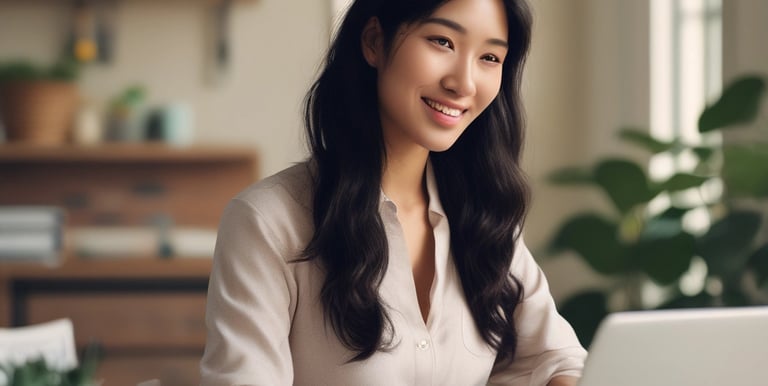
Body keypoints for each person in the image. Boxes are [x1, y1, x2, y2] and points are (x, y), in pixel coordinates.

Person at [200, 0, 587, 384]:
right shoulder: (267, 223)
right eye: (442, 42)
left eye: (489, 57)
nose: (464, 83)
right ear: (374, 41)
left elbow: (559, 360)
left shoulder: (485, 218)